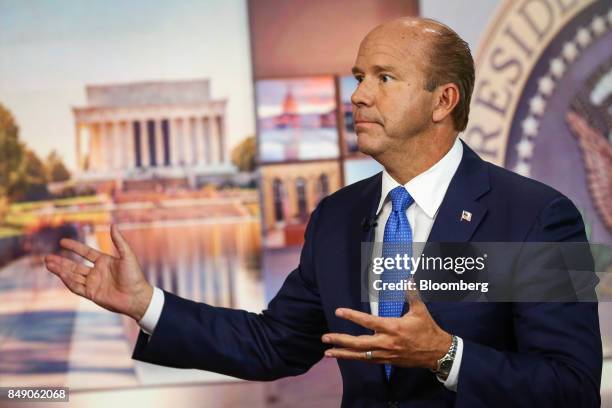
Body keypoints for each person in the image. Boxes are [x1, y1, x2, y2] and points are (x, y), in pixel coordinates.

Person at [45, 17, 602, 407]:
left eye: (384, 78)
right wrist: (147, 305)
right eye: (359, 77)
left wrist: (446, 355)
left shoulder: (544, 217)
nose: (358, 95)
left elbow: (573, 386)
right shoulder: (336, 217)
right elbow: (274, 344)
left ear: (443, 101)